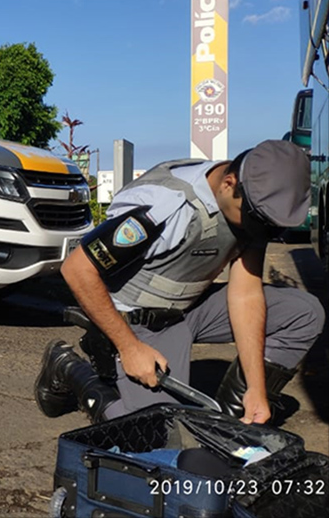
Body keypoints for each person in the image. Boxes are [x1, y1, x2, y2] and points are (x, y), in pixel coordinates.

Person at [34, 139, 325, 425]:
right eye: (254, 219)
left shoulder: (253, 202)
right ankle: (70, 367)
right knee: (154, 433)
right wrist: (130, 347)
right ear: (229, 183)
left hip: (190, 307)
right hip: (138, 320)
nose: (257, 230)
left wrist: (256, 388)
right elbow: (77, 269)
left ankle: (228, 425)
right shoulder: (164, 205)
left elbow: (245, 296)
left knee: (304, 312)